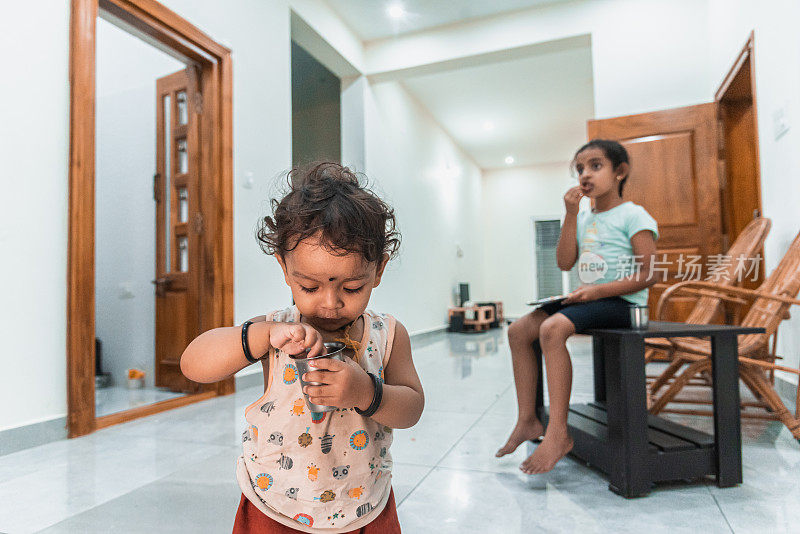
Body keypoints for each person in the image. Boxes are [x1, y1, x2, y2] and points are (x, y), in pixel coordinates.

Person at [181, 162, 424, 533]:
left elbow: (411, 408)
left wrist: (365, 391)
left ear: (378, 271)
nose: (329, 303)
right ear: (284, 267)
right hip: (276, 506)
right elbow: (193, 365)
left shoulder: (387, 334)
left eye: (352, 287)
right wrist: (260, 335)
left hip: (362, 503)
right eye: (309, 287)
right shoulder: (276, 332)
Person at [496, 139, 658, 474]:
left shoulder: (633, 215)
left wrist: (598, 292)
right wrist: (570, 216)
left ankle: (558, 433)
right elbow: (565, 262)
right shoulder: (582, 218)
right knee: (517, 330)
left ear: (620, 172)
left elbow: (648, 274)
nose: (585, 174)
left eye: (595, 166)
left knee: (552, 329)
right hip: (591, 297)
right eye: (580, 168)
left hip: (623, 303)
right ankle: (527, 419)